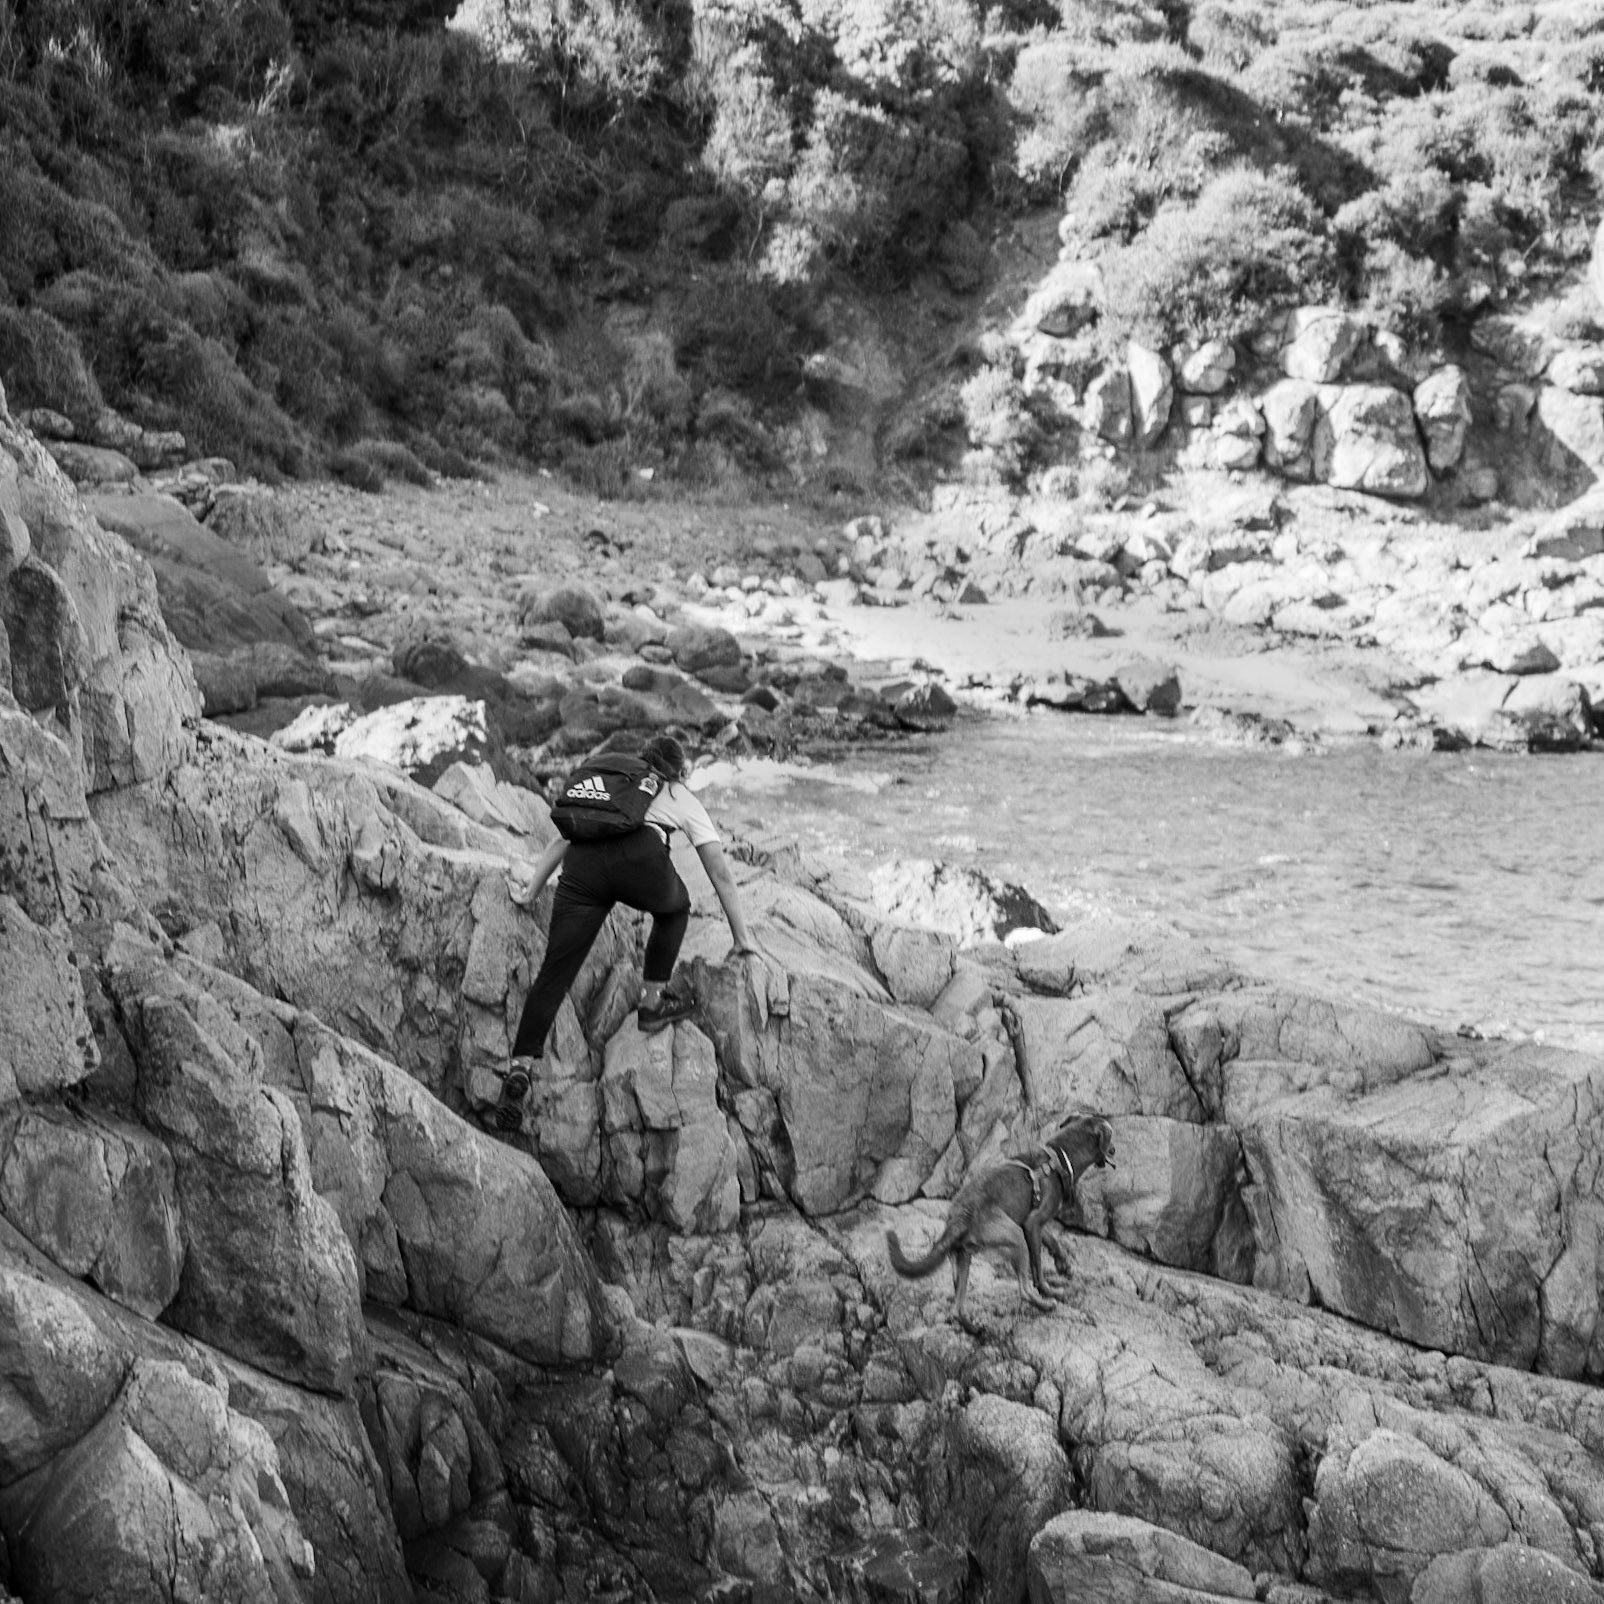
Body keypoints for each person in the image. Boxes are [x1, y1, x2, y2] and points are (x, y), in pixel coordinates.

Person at [493, 733, 759, 1134]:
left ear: (642, 759)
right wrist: (742, 937)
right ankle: (652, 1004)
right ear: (681, 772)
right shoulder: (679, 794)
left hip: (583, 870)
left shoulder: (619, 785)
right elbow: (718, 871)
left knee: (555, 972)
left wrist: (532, 890)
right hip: (640, 864)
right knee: (676, 909)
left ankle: (521, 1065)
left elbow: (564, 838)